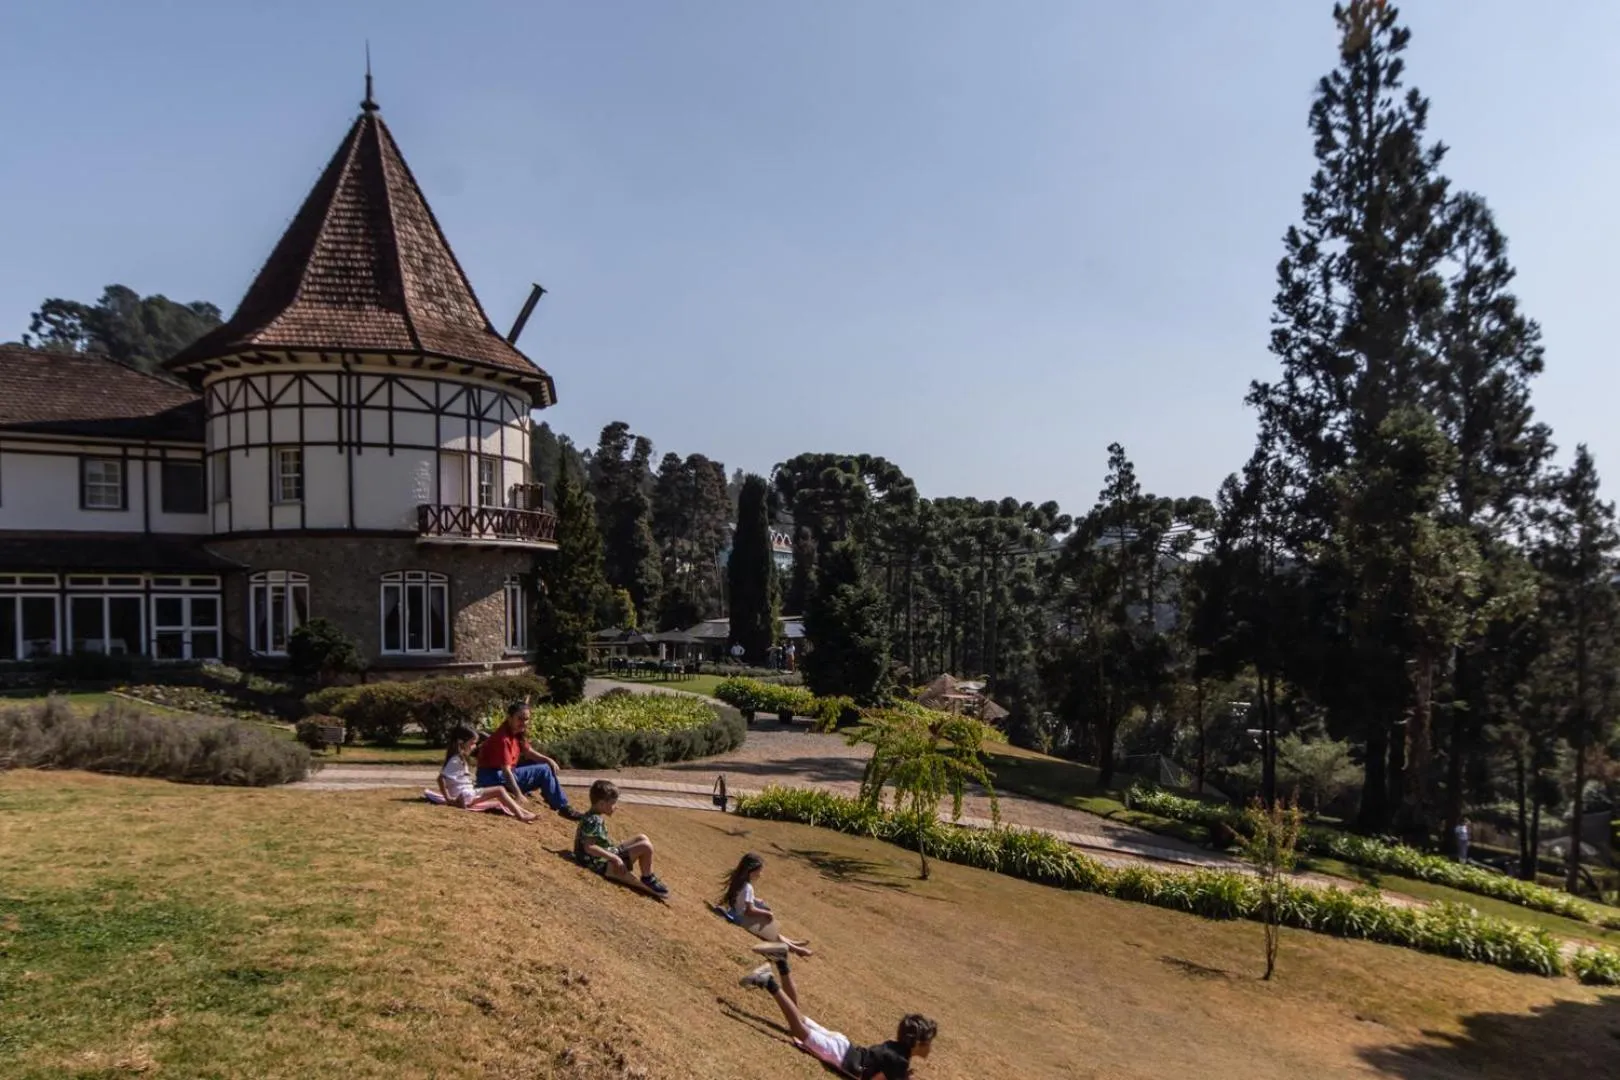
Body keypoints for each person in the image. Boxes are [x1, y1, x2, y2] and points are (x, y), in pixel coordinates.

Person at [738, 967, 936, 1080]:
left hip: (845, 1046)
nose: (930, 1047)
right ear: (918, 1043)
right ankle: (769, 982)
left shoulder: (896, 1049)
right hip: (841, 1056)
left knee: (800, 1019)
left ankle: (782, 964)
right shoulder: (900, 1062)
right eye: (929, 1042)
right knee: (798, 1030)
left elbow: (881, 1066)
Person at [475, 700, 582, 821]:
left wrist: (547, 759)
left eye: (526, 719)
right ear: (510, 718)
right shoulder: (503, 739)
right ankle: (563, 807)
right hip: (492, 779)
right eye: (520, 719)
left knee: (540, 764)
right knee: (544, 770)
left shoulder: (516, 733)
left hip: (499, 776)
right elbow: (506, 771)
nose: (524, 723)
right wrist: (518, 794)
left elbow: (528, 752)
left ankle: (551, 796)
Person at [574, 780, 669, 897]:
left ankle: (648, 875)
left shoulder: (590, 816)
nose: (616, 807)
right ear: (602, 804)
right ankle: (647, 878)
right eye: (613, 803)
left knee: (641, 837)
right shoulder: (594, 820)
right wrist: (615, 858)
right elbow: (589, 847)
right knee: (646, 847)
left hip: (600, 858)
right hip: (600, 865)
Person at [438, 724, 540, 822]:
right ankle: (521, 816)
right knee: (500, 790)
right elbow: (441, 778)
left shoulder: (459, 759)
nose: (474, 747)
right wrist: (448, 798)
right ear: (461, 743)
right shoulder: (455, 759)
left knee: (499, 792)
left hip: (467, 795)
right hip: (465, 795)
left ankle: (524, 812)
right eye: (472, 743)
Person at [720, 853, 813, 957]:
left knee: (770, 929)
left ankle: (792, 942)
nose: (760, 874)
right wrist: (766, 913)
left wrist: (754, 899)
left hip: (735, 913)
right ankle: (797, 949)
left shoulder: (738, 880)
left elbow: (740, 897)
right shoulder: (748, 887)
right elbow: (750, 910)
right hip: (743, 919)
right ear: (752, 871)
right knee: (771, 932)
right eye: (759, 871)